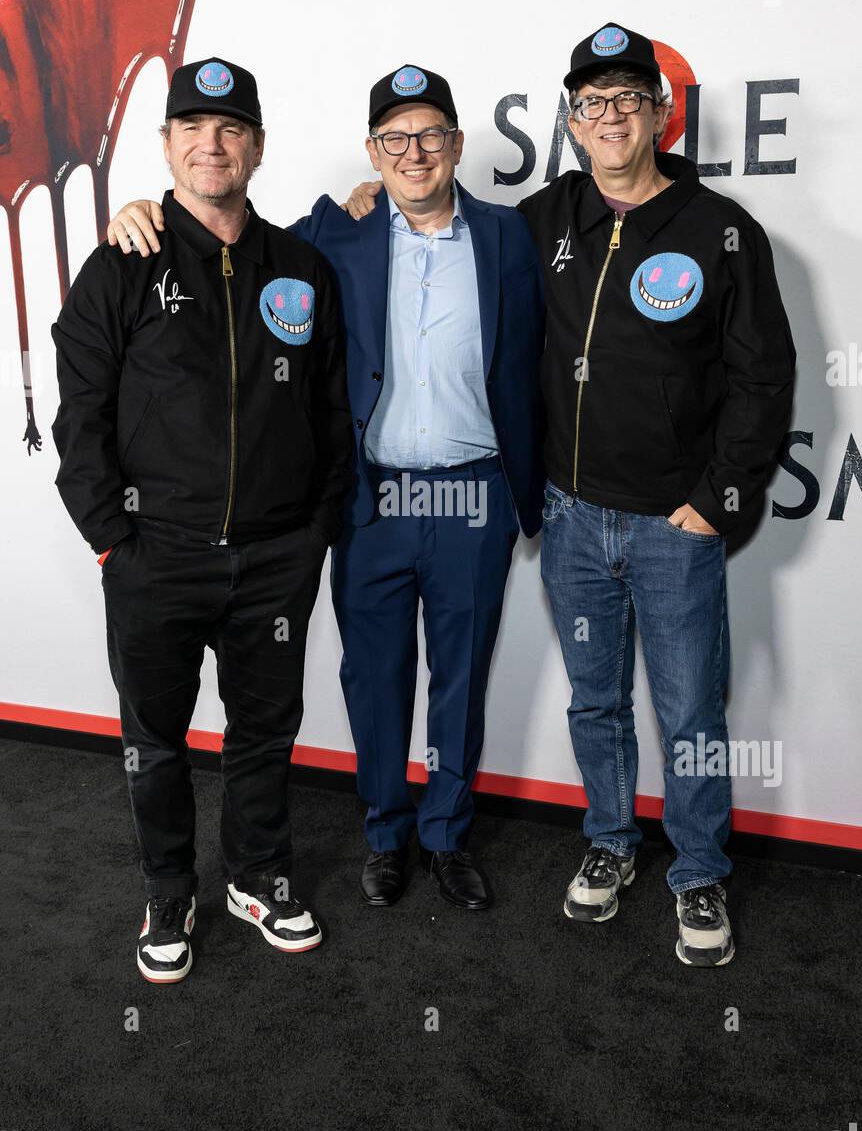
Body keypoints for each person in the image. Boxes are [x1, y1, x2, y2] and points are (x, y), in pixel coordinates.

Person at [346, 24, 796, 966]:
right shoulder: (541, 220)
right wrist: (361, 200)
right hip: (570, 516)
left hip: (675, 523)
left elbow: (763, 378)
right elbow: (431, 217)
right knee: (596, 704)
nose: (609, 118)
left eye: (629, 100)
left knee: (691, 711)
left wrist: (717, 499)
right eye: (591, 105)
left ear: (661, 115)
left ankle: (701, 867)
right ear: (572, 123)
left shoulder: (722, 230)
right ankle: (608, 841)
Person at [105, 65, 546, 913]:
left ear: (456, 145)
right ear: (371, 153)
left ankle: (447, 834)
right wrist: (138, 209)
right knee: (373, 677)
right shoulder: (329, 236)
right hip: (372, 498)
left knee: (461, 675)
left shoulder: (511, 236)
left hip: (472, 496)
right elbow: (220, 220)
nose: (412, 153)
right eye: (393, 139)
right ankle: (386, 833)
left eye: (429, 136)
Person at [52, 57, 353, 983]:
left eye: (230, 129)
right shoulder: (121, 264)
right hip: (156, 557)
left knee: (263, 732)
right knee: (156, 740)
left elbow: (330, 408)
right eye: (192, 128)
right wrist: (114, 537)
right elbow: (80, 417)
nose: (210, 144)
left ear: (256, 147)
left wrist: (316, 531)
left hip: (274, 556)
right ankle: (169, 889)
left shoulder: (301, 267)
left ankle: (258, 876)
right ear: (167, 145)